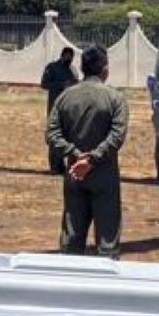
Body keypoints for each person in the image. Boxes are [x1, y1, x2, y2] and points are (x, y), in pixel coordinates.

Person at [46, 45, 129, 256]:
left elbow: (52, 134)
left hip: (74, 173)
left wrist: (74, 154)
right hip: (104, 174)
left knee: (71, 240)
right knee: (107, 242)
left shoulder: (65, 97)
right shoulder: (115, 98)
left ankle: (70, 284)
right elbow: (117, 136)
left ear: (82, 68)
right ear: (105, 69)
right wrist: (92, 159)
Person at [39, 47, 78, 175]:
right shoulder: (51, 68)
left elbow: (76, 84)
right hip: (54, 107)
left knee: (67, 136)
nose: (69, 59)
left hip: (69, 108)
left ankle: (65, 164)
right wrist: (61, 84)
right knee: (54, 135)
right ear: (62, 55)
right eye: (67, 56)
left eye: (71, 57)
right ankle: (55, 166)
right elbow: (44, 84)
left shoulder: (73, 70)